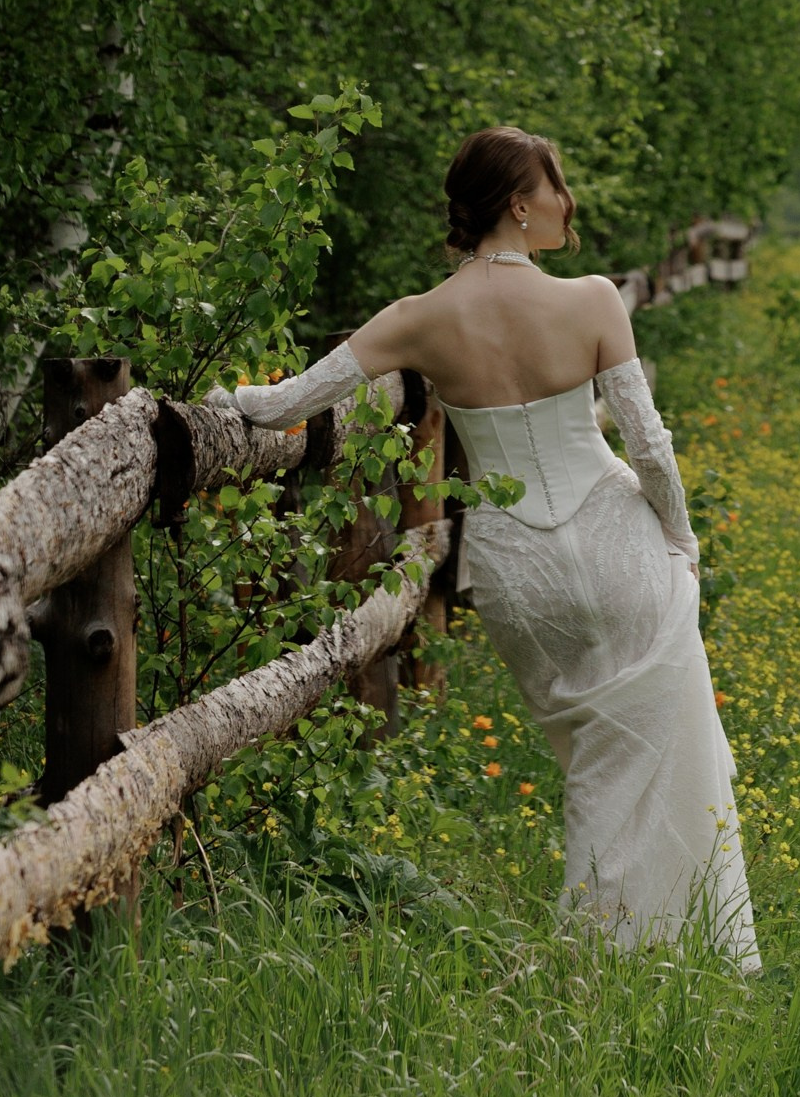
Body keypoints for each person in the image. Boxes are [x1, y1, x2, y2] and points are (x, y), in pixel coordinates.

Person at [230, 124, 758, 969]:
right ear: (519, 204)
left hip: (517, 572)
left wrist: (216, 403)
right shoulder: (591, 299)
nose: (567, 201)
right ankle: (692, 953)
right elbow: (649, 448)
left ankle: (602, 957)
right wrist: (682, 540)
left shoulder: (417, 319)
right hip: (619, 544)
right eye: (557, 186)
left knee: (591, 766)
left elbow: (289, 399)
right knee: (670, 747)